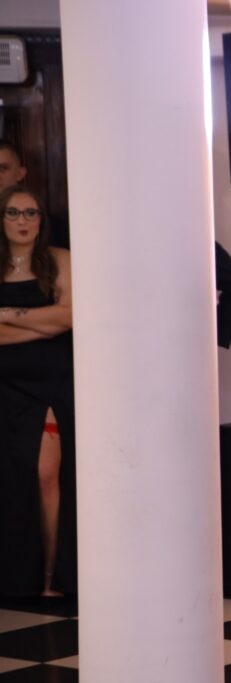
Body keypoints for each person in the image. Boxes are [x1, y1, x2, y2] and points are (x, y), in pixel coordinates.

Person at [0, 184, 75, 598]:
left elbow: (69, 317)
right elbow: (54, 321)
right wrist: (43, 324)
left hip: (51, 385)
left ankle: (50, 575)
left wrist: (10, 314)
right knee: (12, 480)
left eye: (31, 213)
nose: (23, 221)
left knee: (47, 474)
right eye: (13, 213)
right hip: (5, 386)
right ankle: (19, 576)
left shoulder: (59, 259)